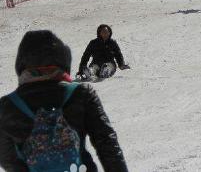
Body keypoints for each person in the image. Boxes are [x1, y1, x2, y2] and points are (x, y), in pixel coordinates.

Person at [0, 30, 128, 171]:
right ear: (62, 58)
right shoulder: (81, 94)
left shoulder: (6, 106)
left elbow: (7, 159)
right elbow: (107, 144)